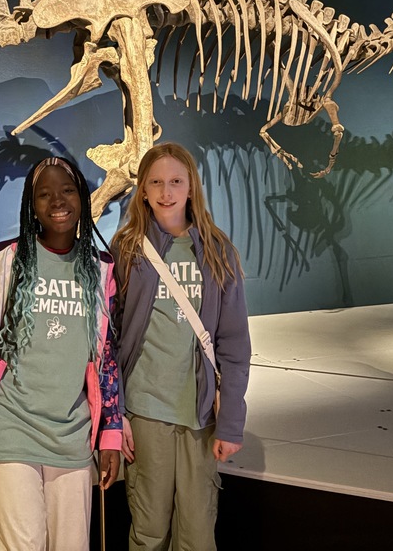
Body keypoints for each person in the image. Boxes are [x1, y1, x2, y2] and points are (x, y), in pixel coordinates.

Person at [0, 156, 122, 551]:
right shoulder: (1, 263)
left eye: (66, 191)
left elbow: (107, 360)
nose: (57, 201)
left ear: (82, 196)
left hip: (73, 438)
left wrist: (111, 433)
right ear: (31, 205)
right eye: (44, 194)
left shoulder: (101, 270)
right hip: (11, 432)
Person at [111, 142, 251, 551]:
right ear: (142, 190)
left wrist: (232, 420)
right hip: (145, 411)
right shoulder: (128, 249)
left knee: (196, 534)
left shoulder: (217, 251)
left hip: (200, 415)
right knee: (149, 531)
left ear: (191, 187)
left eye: (175, 181)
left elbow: (235, 344)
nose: (166, 191)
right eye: (155, 182)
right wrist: (115, 414)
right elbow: (112, 337)